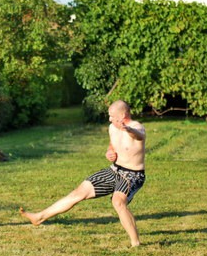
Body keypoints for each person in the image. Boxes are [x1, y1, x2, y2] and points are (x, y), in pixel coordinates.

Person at [20, 100, 146, 247]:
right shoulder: (112, 127)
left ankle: (135, 243)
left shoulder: (136, 127)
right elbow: (113, 145)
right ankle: (39, 217)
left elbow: (139, 136)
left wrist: (127, 129)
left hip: (133, 175)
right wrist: (109, 152)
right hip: (114, 170)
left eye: (112, 116)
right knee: (78, 192)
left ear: (123, 115)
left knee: (118, 202)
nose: (109, 119)